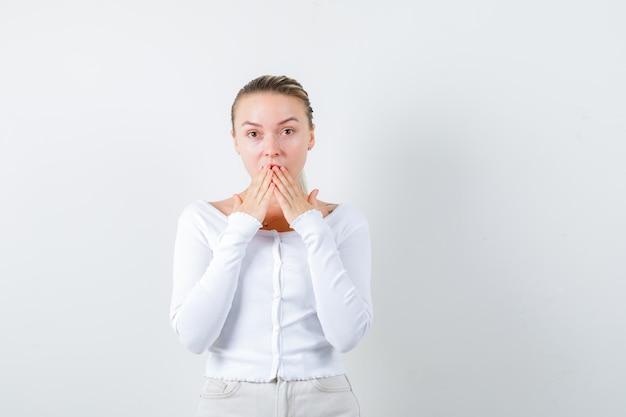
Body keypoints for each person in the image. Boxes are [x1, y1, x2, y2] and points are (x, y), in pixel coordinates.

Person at [169, 75, 373, 417]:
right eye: (253, 134)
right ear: (236, 141)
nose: (271, 149)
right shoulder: (201, 220)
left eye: (288, 131)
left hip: (325, 400)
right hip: (230, 400)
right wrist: (239, 230)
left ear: (311, 137)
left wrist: (312, 228)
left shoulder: (344, 222)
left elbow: (347, 336)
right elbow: (194, 338)